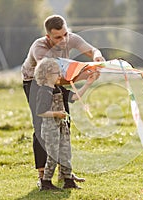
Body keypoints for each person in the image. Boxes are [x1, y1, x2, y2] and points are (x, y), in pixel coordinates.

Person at [21, 14, 105, 188]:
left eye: (65, 34)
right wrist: (84, 75)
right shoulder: (40, 48)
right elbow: (53, 77)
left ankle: (65, 173)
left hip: (57, 76)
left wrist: (97, 57)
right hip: (37, 81)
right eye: (58, 37)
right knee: (41, 126)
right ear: (48, 37)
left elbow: (92, 50)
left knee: (64, 121)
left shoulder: (70, 38)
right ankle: (42, 176)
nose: (64, 40)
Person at [34, 57, 98, 190]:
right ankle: (46, 182)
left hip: (62, 126)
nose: (60, 75)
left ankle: (68, 180)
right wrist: (56, 114)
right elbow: (40, 112)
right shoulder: (44, 91)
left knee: (65, 152)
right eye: (57, 72)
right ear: (46, 75)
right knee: (53, 154)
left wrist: (88, 83)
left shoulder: (59, 89)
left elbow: (75, 97)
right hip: (50, 127)